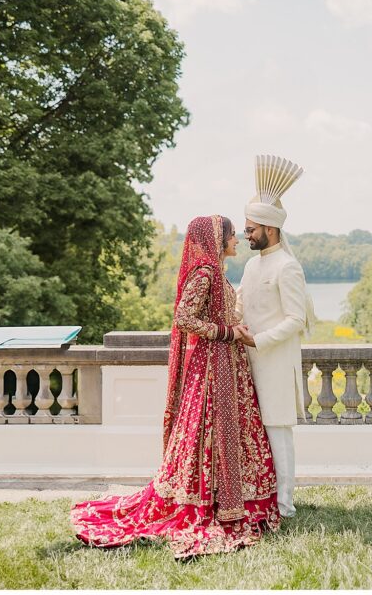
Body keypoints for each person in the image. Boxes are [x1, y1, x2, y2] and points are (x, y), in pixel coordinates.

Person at [70, 215, 280, 559]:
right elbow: (184, 318)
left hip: (227, 365)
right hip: (211, 369)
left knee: (231, 433)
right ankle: (209, 503)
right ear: (216, 238)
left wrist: (235, 328)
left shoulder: (217, 273)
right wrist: (225, 333)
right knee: (206, 432)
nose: (236, 240)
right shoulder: (205, 274)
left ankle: (232, 500)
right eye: (231, 235)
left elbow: (217, 313)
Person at [235, 155, 316, 519]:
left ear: (270, 228)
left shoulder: (288, 266)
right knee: (256, 433)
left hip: (276, 363)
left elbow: (296, 319)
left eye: (251, 229)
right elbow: (241, 306)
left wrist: (259, 340)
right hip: (248, 362)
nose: (246, 235)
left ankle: (285, 505)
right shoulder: (252, 264)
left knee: (279, 434)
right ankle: (262, 498)